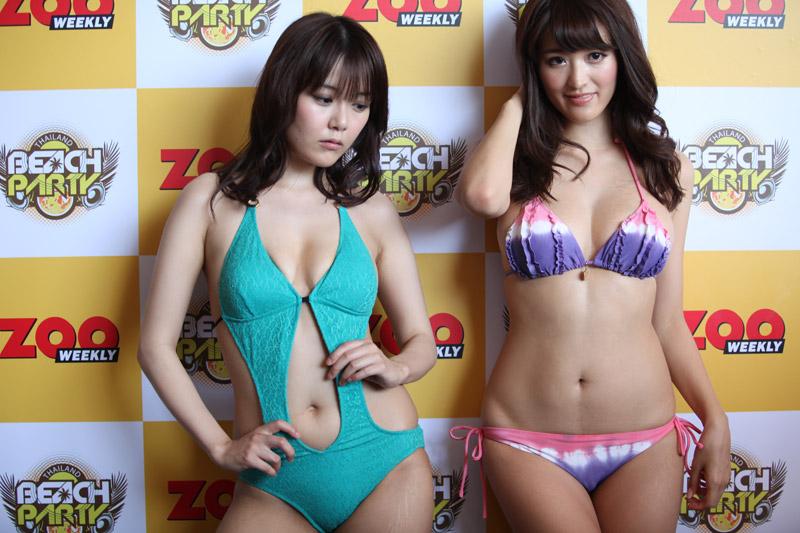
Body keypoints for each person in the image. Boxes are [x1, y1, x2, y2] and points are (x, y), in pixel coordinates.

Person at [138, 13, 436, 533]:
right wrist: (219, 446)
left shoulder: (371, 210)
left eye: (360, 105)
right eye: (324, 98)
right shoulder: (210, 202)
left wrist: (399, 368)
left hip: (385, 460)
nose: (341, 122)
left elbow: (422, 341)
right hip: (276, 477)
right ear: (283, 91)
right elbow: (155, 346)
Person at [451, 1, 731, 531]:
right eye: (556, 59)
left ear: (622, 56)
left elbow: (668, 321)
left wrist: (714, 418)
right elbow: (482, 198)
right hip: (527, 437)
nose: (577, 79)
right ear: (533, 67)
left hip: (645, 439)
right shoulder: (514, 164)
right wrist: (520, 102)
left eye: (595, 55)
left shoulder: (665, 169)